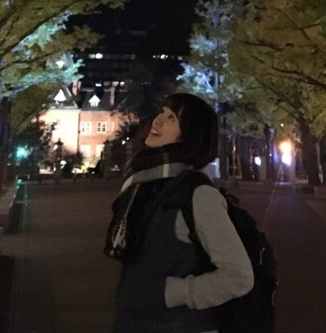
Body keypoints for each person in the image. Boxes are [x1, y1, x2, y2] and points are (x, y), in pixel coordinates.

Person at [105, 93, 253, 333]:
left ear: (191, 134)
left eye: (171, 118)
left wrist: (170, 292)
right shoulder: (143, 186)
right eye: (162, 112)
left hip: (181, 325)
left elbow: (239, 276)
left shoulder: (197, 193)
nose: (158, 121)